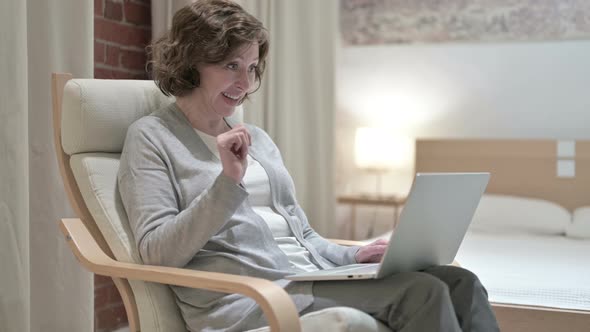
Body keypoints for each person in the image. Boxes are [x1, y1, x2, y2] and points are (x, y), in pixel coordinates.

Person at [118, 0, 500, 331]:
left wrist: (354, 256)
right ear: (192, 62)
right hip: (251, 297)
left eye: (251, 67)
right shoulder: (152, 138)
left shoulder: (258, 139)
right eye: (231, 65)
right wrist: (227, 182)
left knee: (461, 282)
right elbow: (156, 252)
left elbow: (302, 237)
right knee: (423, 294)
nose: (244, 82)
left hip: (307, 277)